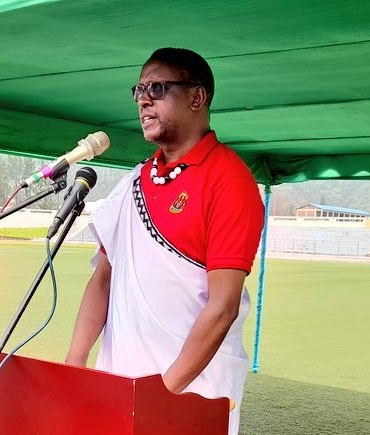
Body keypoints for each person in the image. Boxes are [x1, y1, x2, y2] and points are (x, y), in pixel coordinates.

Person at [65, 48, 264, 435]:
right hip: (118, 383)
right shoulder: (132, 183)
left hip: (188, 395)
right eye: (139, 89)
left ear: (197, 97)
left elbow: (222, 307)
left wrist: (163, 392)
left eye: (157, 87)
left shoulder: (230, 181)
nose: (143, 99)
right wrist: (75, 362)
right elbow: (103, 280)